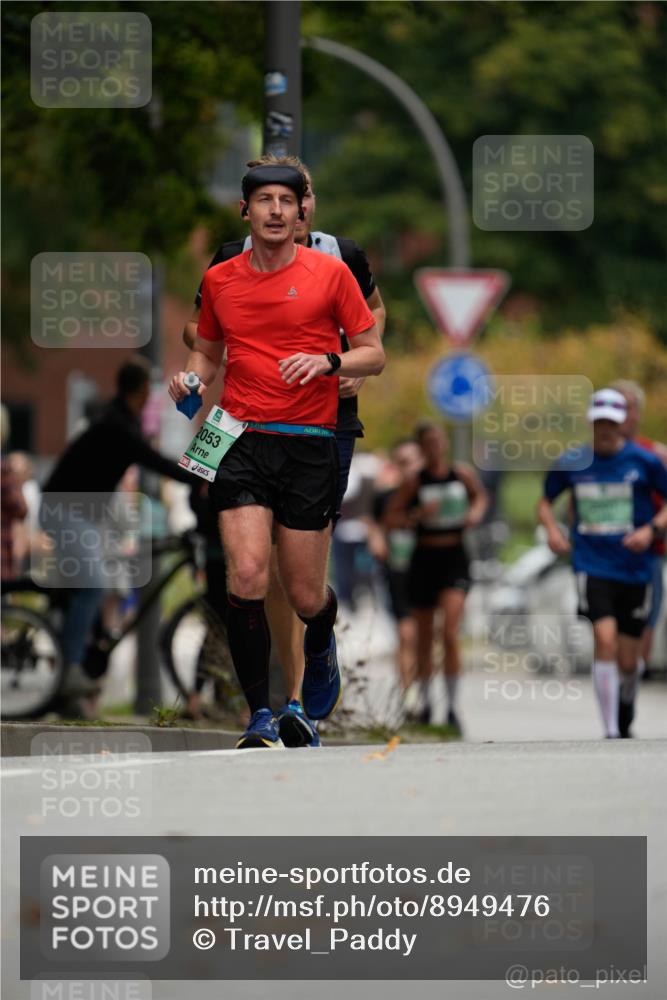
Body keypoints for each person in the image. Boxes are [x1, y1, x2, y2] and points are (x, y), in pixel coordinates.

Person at [169, 162, 384, 749]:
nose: (275, 210)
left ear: (300, 211)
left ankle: (321, 645)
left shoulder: (332, 273)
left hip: (310, 442)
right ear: (246, 211)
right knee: (245, 575)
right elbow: (207, 354)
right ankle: (259, 714)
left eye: (285, 201)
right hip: (238, 436)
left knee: (307, 593)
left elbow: (373, 352)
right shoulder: (221, 279)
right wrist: (189, 380)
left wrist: (330, 362)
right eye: (263, 200)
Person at [41, 356, 193, 704]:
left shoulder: (115, 418)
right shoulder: (119, 427)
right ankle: (70, 670)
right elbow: (155, 462)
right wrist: (199, 478)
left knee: (90, 586)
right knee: (93, 584)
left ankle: (70, 678)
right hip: (66, 512)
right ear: (141, 390)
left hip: (77, 513)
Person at [538, 388, 667, 739]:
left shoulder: (645, 462)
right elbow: (545, 501)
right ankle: (610, 730)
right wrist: (552, 530)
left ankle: (626, 702)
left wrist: (650, 529)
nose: (606, 429)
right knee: (604, 639)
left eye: (612, 422)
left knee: (631, 660)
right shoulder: (572, 461)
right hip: (592, 564)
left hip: (636, 567)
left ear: (623, 422)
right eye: (600, 423)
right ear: (590, 423)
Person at [385, 422, 487, 730]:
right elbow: (391, 518)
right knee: (425, 635)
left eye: (438, 441)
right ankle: (428, 702)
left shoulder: (461, 474)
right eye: (427, 443)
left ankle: (453, 706)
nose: (434, 447)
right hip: (424, 557)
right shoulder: (415, 482)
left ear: (444, 443)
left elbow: (480, 497)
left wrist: (474, 514)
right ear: (421, 448)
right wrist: (417, 516)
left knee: (450, 632)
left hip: (455, 557)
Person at [611, 379, 667, 679]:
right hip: (602, 556)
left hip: (647, 556)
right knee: (607, 632)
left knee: (642, 627)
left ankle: (628, 691)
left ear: (638, 414)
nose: (620, 415)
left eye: (627, 408)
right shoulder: (591, 457)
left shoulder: (656, 456)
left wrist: (652, 529)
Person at [369, 439, 423, 694]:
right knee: (405, 633)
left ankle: (427, 693)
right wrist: (377, 540)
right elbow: (374, 523)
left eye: (413, 460)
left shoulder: (430, 494)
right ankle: (408, 693)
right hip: (398, 570)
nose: (409, 467)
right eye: (403, 462)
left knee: (426, 634)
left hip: (430, 569)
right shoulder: (385, 497)